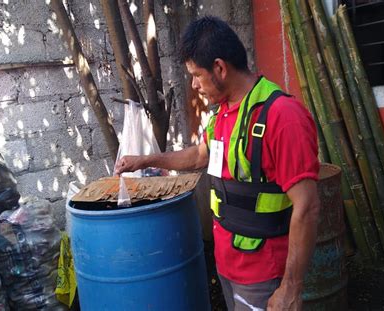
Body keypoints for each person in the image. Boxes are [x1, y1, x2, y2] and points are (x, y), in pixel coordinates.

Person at [115, 16, 320, 311]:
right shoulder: (222, 113)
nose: (195, 85)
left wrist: (291, 287)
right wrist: (146, 159)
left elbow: (308, 205)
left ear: (220, 68)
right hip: (226, 262)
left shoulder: (282, 116)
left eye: (197, 75)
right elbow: (201, 155)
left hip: (263, 272)